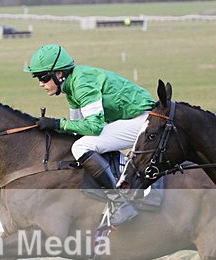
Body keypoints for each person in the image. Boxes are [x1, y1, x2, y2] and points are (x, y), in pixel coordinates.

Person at [25, 44, 155, 226]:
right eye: (38, 78)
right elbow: (77, 129)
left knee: (81, 147)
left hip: (145, 123)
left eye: (44, 77)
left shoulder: (82, 83)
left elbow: (94, 127)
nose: (41, 83)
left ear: (60, 74)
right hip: (135, 119)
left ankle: (120, 204)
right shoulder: (71, 87)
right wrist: (54, 127)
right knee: (81, 142)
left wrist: (57, 123)